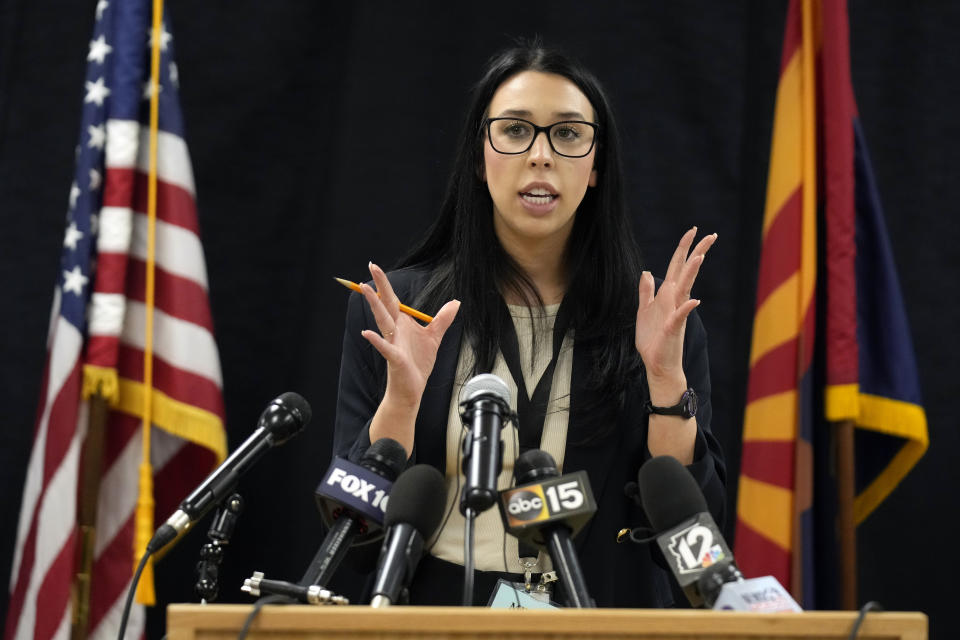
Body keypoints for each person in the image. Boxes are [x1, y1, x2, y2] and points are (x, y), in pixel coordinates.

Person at [332, 41, 725, 607]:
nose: (540, 155)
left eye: (567, 134)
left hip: (595, 615)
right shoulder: (402, 311)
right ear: (477, 155)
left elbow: (690, 541)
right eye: (515, 131)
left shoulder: (652, 323)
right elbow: (352, 535)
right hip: (433, 615)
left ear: (596, 167)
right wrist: (401, 405)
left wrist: (666, 385)